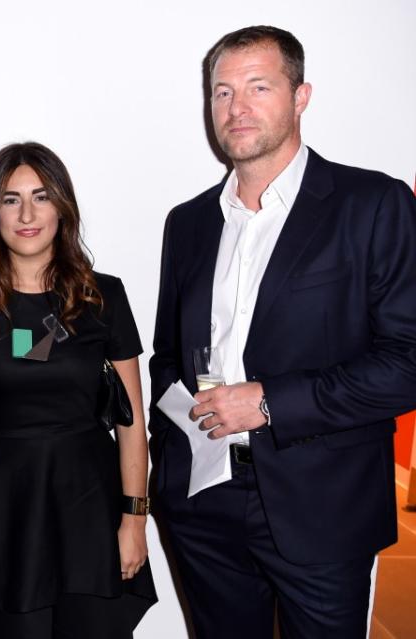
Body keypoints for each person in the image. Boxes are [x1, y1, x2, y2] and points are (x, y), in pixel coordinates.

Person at [149, 25, 416, 638]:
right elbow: (171, 357)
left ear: (301, 98)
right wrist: (179, 439)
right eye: (220, 92)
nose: (235, 108)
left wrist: (268, 402)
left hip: (323, 505)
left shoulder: (372, 204)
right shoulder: (187, 223)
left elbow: (407, 362)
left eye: (257, 87)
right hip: (202, 501)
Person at [0, 142, 157, 639]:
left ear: (63, 206)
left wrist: (134, 521)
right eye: (11, 199)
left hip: (88, 512)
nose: (28, 213)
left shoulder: (103, 296)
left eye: (41, 196)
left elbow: (132, 424)